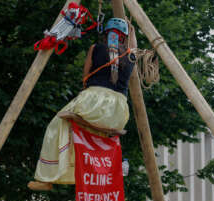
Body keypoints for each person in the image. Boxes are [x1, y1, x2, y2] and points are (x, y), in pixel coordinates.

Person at [28, 18, 136, 191]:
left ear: (105, 33)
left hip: (94, 101)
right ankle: (114, 166)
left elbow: (85, 77)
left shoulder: (95, 48)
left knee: (57, 125)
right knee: (96, 134)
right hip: (118, 112)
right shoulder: (131, 56)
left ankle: (46, 177)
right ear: (124, 37)